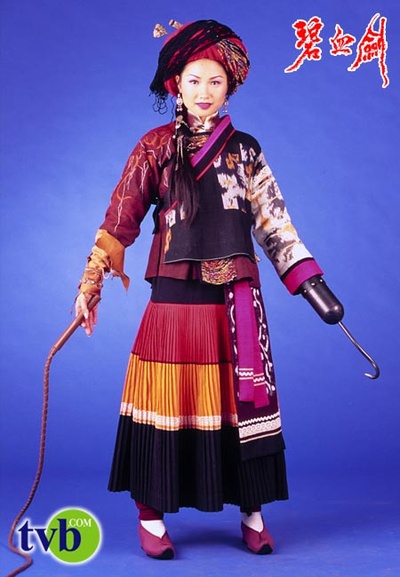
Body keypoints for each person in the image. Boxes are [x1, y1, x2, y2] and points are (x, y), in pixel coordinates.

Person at [75, 19, 331, 560]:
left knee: (239, 402)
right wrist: (91, 282)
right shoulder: (154, 147)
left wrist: (310, 284)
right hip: (173, 296)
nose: (204, 92)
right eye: (194, 80)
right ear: (177, 84)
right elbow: (120, 219)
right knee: (164, 398)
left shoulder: (247, 150)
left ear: (229, 86)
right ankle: (151, 513)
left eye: (215, 81)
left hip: (233, 299)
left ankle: (252, 509)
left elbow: (275, 225)